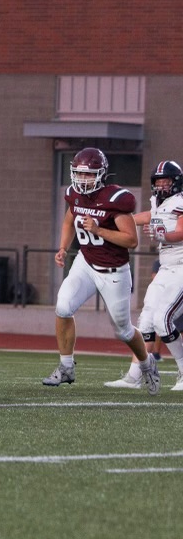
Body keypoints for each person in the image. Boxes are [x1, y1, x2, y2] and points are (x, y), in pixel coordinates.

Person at [42, 147, 159, 394]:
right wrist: (63, 247)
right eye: (79, 174)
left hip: (114, 271)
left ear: (101, 174)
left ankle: (147, 365)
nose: (83, 180)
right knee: (63, 306)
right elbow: (68, 220)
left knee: (123, 330)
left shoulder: (116, 199)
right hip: (85, 262)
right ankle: (66, 367)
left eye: (89, 175)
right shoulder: (74, 194)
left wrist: (98, 230)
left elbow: (131, 240)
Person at [104, 160, 183, 391]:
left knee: (163, 319)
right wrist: (119, 222)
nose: (161, 186)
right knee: (146, 320)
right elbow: (150, 215)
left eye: (166, 181)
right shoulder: (159, 202)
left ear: (176, 182)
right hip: (167, 268)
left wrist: (164, 235)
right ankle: (134, 375)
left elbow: (179, 231)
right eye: (158, 181)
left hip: (181, 266)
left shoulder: (180, 202)